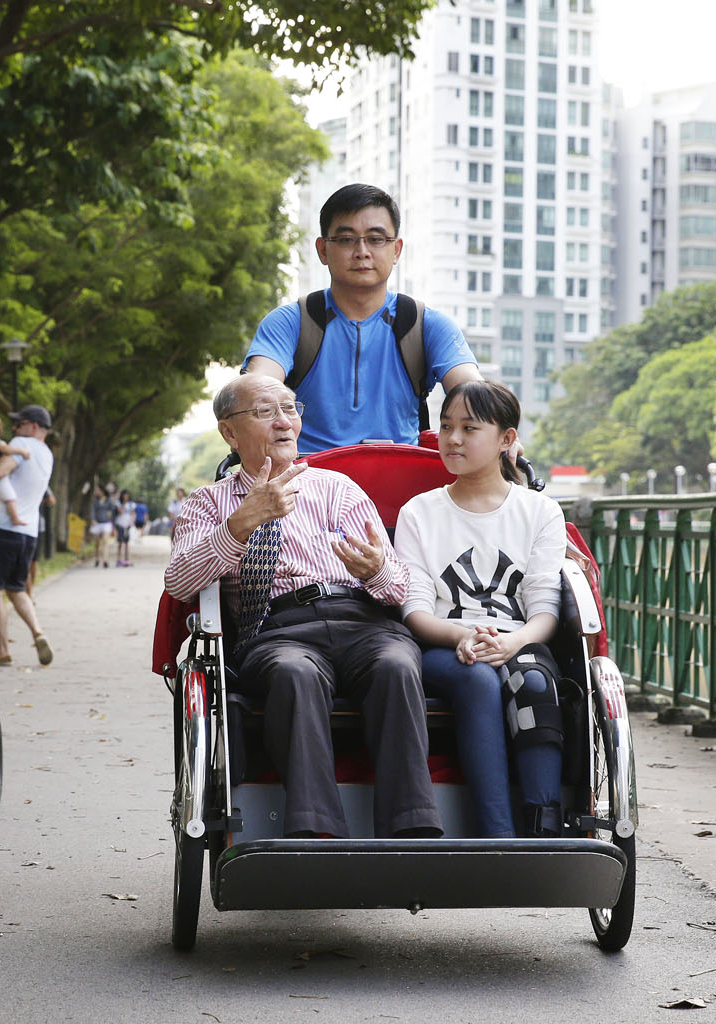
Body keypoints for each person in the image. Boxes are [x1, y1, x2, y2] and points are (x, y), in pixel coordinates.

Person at [165, 373, 442, 840]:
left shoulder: (338, 489)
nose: (283, 422)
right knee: (295, 673)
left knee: (396, 663)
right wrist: (240, 523)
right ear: (229, 432)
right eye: (265, 411)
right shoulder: (209, 503)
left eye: (290, 409)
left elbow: (399, 592)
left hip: (363, 620)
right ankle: (315, 833)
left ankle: (410, 829)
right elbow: (179, 582)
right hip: (278, 629)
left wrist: (375, 570)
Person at [392, 380, 566, 838]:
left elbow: (545, 608)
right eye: (447, 426)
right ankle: (497, 832)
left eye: (470, 428)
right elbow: (414, 610)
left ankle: (543, 822)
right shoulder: (418, 513)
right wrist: (461, 637)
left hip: (520, 638)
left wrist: (515, 640)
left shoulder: (540, 511)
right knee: (475, 677)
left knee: (530, 678)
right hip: (442, 644)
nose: (452, 439)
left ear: (507, 439)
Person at [243, 183, 483, 453]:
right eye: (346, 239)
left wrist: (496, 429)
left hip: (402, 482)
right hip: (306, 481)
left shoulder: (425, 324)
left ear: (397, 250)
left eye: (376, 239)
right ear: (323, 250)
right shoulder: (291, 322)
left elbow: (472, 390)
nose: (362, 251)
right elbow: (258, 386)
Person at [0, 404, 56, 667]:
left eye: (19, 423)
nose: (14, 428)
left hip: (2, 527)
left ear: (33, 426)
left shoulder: (22, 443)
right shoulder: (47, 454)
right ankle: (38, 632)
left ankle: (2, 650)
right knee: (17, 588)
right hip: (29, 532)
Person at [89, 482, 116, 567]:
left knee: (105, 541)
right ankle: (97, 558)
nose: (97, 492)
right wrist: (93, 519)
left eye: (97, 490)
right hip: (97, 523)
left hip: (106, 523)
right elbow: (93, 511)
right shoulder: (95, 501)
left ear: (102, 491)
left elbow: (113, 511)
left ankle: (105, 560)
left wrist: (112, 520)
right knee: (97, 542)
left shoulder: (109, 501)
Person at [113, 488, 136, 566]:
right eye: (124, 495)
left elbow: (133, 514)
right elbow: (120, 511)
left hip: (128, 525)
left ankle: (127, 560)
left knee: (127, 543)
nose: (126, 497)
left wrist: (132, 522)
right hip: (120, 524)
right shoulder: (118, 503)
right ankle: (118, 560)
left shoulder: (132, 504)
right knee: (120, 543)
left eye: (127, 495)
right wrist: (123, 503)